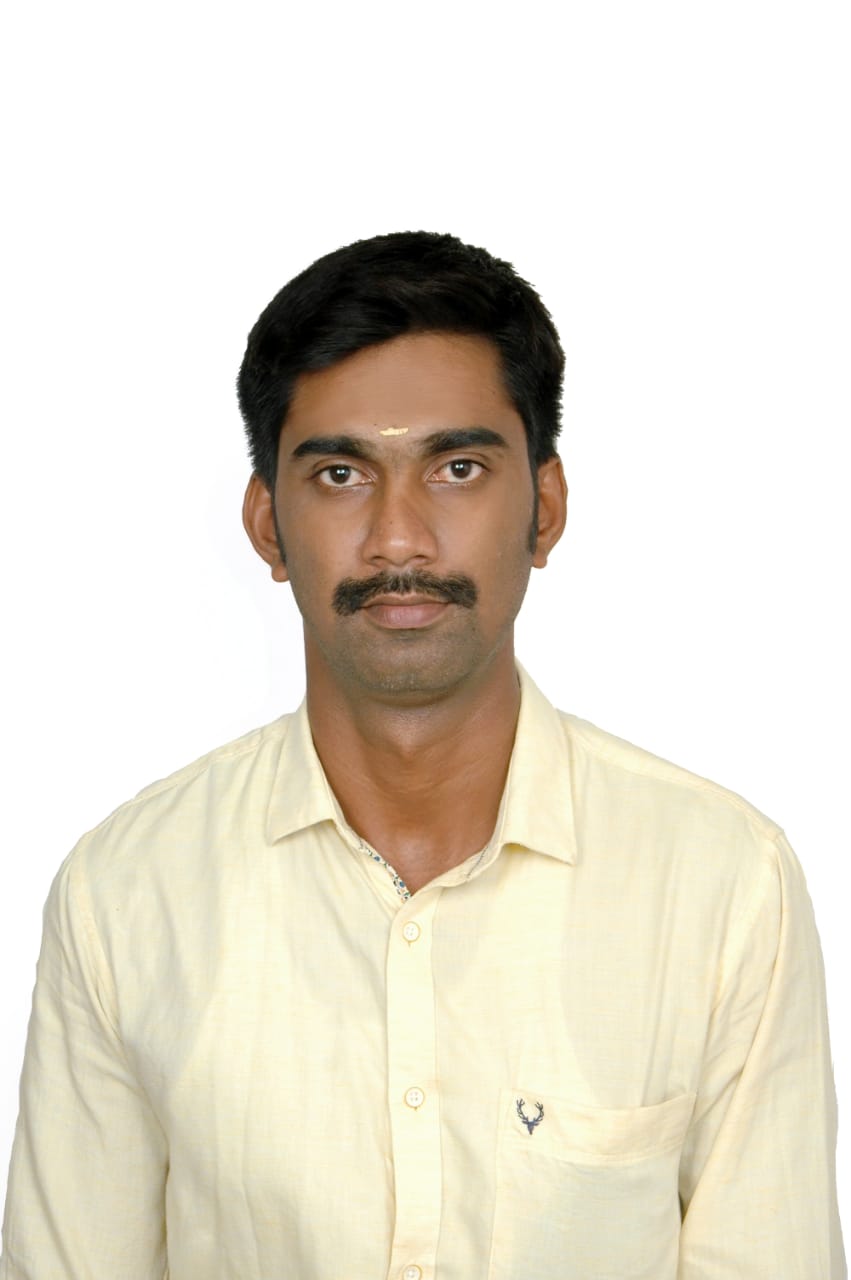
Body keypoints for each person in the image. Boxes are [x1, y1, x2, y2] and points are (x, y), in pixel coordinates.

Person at [0, 231, 844, 1279]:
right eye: (340, 473)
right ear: (267, 525)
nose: (398, 539)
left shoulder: (719, 883)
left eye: (456, 469)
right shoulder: (127, 893)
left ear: (544, 509)